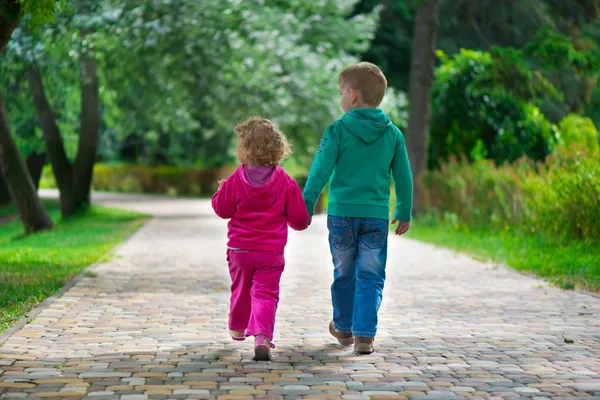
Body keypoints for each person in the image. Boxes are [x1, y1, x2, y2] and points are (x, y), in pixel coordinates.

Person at [302, 62, 413, 355]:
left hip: (341, 216)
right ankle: (365, 336)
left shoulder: (337, 130)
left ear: (352, 95)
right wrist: (403, 209)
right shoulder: (393, 135)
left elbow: (320, 169)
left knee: (344, 273)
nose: (340, 99)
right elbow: (403, 175)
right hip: (375, 216)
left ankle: (344, 327)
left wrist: (307, 202)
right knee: (371, 275)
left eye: (340, 93)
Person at [212, 117, 310, 361]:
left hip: (240, 250)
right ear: (278, 147)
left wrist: (219, 191)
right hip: (270, 252)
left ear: (243, 148)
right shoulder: (285, 181)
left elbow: (222, 209)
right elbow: (299, 219)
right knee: (265, 293)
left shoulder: (236, 179)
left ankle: (237, 326)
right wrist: (304, 218)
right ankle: (262, 338)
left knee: (241, 288)